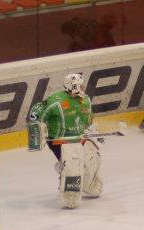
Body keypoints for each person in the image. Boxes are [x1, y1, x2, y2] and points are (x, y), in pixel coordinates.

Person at [27, 73, 102, 208]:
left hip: (78, 138)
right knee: (72, 167)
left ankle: (88, 185)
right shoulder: (56, 100)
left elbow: (88, 120)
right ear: (72, 87)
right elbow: (37, 112)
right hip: (59, 140)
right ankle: (69, 194)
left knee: (92, 159)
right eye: (80, 85)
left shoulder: (85, 99)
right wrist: (37, 127)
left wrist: (92, 130)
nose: (83, 87)